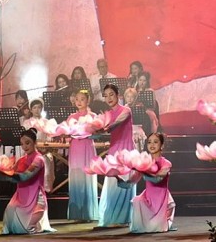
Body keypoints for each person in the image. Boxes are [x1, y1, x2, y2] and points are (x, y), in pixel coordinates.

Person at [0, 128, 54, 235]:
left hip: (36, 195)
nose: (24, 146)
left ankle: (32, 225)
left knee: (28, 227)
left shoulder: (38, 159)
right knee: (10, 213)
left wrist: (6, 176)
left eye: (27, 143)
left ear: (35, 143)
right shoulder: (21, 159)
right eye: (22, 144)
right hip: (21, 194)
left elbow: (25, 176)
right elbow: (11, 172)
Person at [119, 132, 175, 233]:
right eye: (149, 142)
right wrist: (116, 177)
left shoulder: (166, 163)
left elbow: (157, 179)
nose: (152, 145)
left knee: (157, 227)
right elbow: (130, 183)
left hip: (160, 201)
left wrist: (143, 171)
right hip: (148, 199)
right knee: (137, 201)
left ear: (162, 145)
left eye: (155, 142)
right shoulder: (143, 162)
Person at [98, 84, 135, 227]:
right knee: (111, 186)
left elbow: (118, 122)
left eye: (111, 94)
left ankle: (123, 218)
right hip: (113, 151)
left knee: (123, 184)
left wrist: (106, 127)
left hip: (126, 152)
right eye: (106, 95)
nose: (109, 98)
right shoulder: (106, 115)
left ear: (118, 95)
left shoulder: (126, 110)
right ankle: (111, 218)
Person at [66, 89, 99, 222]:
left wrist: (90, 134)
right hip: (75, 147)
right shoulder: (71, 117)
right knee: (76, 177)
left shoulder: (93, 116)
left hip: (87, 146)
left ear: (88, 100)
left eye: (82, 99)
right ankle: (77, 213)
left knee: (87, 177)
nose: (79, 102)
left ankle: (88, 213)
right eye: (77, 99)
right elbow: (67, 133)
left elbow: (98, 133)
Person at [124, 86, 158, 151]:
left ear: (135, 98)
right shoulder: (124, 108)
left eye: (132, 97)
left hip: (137, 129)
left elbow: (144, 121)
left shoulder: (139, 108)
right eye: (128, 97)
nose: (129, 99)